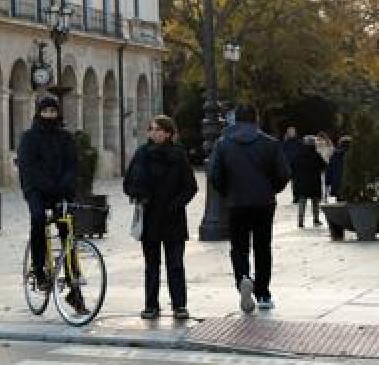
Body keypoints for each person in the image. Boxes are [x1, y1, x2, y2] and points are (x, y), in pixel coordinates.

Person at [208, 103, 291, 313]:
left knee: (239, 247)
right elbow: (283, 173)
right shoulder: (270, 144)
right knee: (263, 247)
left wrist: (228, 191)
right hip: (264, 202)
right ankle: (263, 293)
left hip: (237, 203)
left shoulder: (223, 143)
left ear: (236, 119)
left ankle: (243, 278)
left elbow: (214, 175)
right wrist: (271, 189)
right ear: (257, 119)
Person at [123, 115, 197, 321]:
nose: (153, 133)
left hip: (173, 218)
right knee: (151, 265)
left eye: (158, 129)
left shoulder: (179, 156)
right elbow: (128, 183)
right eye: (151, 129)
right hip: (150, 216)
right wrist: (139, 195)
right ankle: (151, 305)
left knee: (175, 265)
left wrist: (176, 204)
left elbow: (191, 187)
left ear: (168, 133)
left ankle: (179, 305)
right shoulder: (141, 154)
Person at [17, 96, 77, 296]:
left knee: (66, 224)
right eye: (46, 111)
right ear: (39, 113)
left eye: (53, 111)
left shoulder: (66, 138)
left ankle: (71, 272)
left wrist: (65, 183)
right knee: (38, 218)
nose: (50, 115)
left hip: (60, 188)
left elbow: (72, 164)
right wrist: (48, 185)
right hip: (35, 188)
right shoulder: (29, 138)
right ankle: (38, 268)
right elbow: (28, 167)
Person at [290, 135, 327, 228]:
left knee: (302, 202)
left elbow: (292, 167)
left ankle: (300, 221)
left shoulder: (298, 154)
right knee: (315, 201)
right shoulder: (316, 155)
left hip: (301, 182)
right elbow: (324, 166)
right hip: (314, 182)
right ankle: (316, 219)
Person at [326, 135, 351, 200]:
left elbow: (329, 169)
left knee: (334, 206)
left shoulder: (334, 155)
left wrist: (327, 182)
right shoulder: (352, 156)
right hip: (350, 187)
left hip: (336, 186)